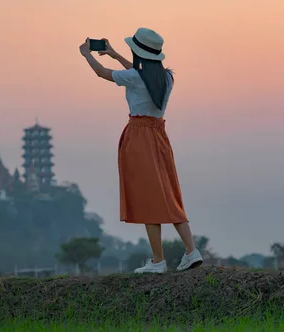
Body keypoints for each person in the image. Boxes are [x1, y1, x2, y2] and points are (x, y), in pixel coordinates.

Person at [78, 27, 203, 273]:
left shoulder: (136, 78)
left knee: (148, 197)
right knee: (169, 194)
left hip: (139, 137)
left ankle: (158, 260)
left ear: (139, 53)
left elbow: (104, 73)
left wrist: (86, 54)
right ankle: (191, 251)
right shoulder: (166, 77)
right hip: (159, 136)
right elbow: (138, 74)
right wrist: (114, 54)